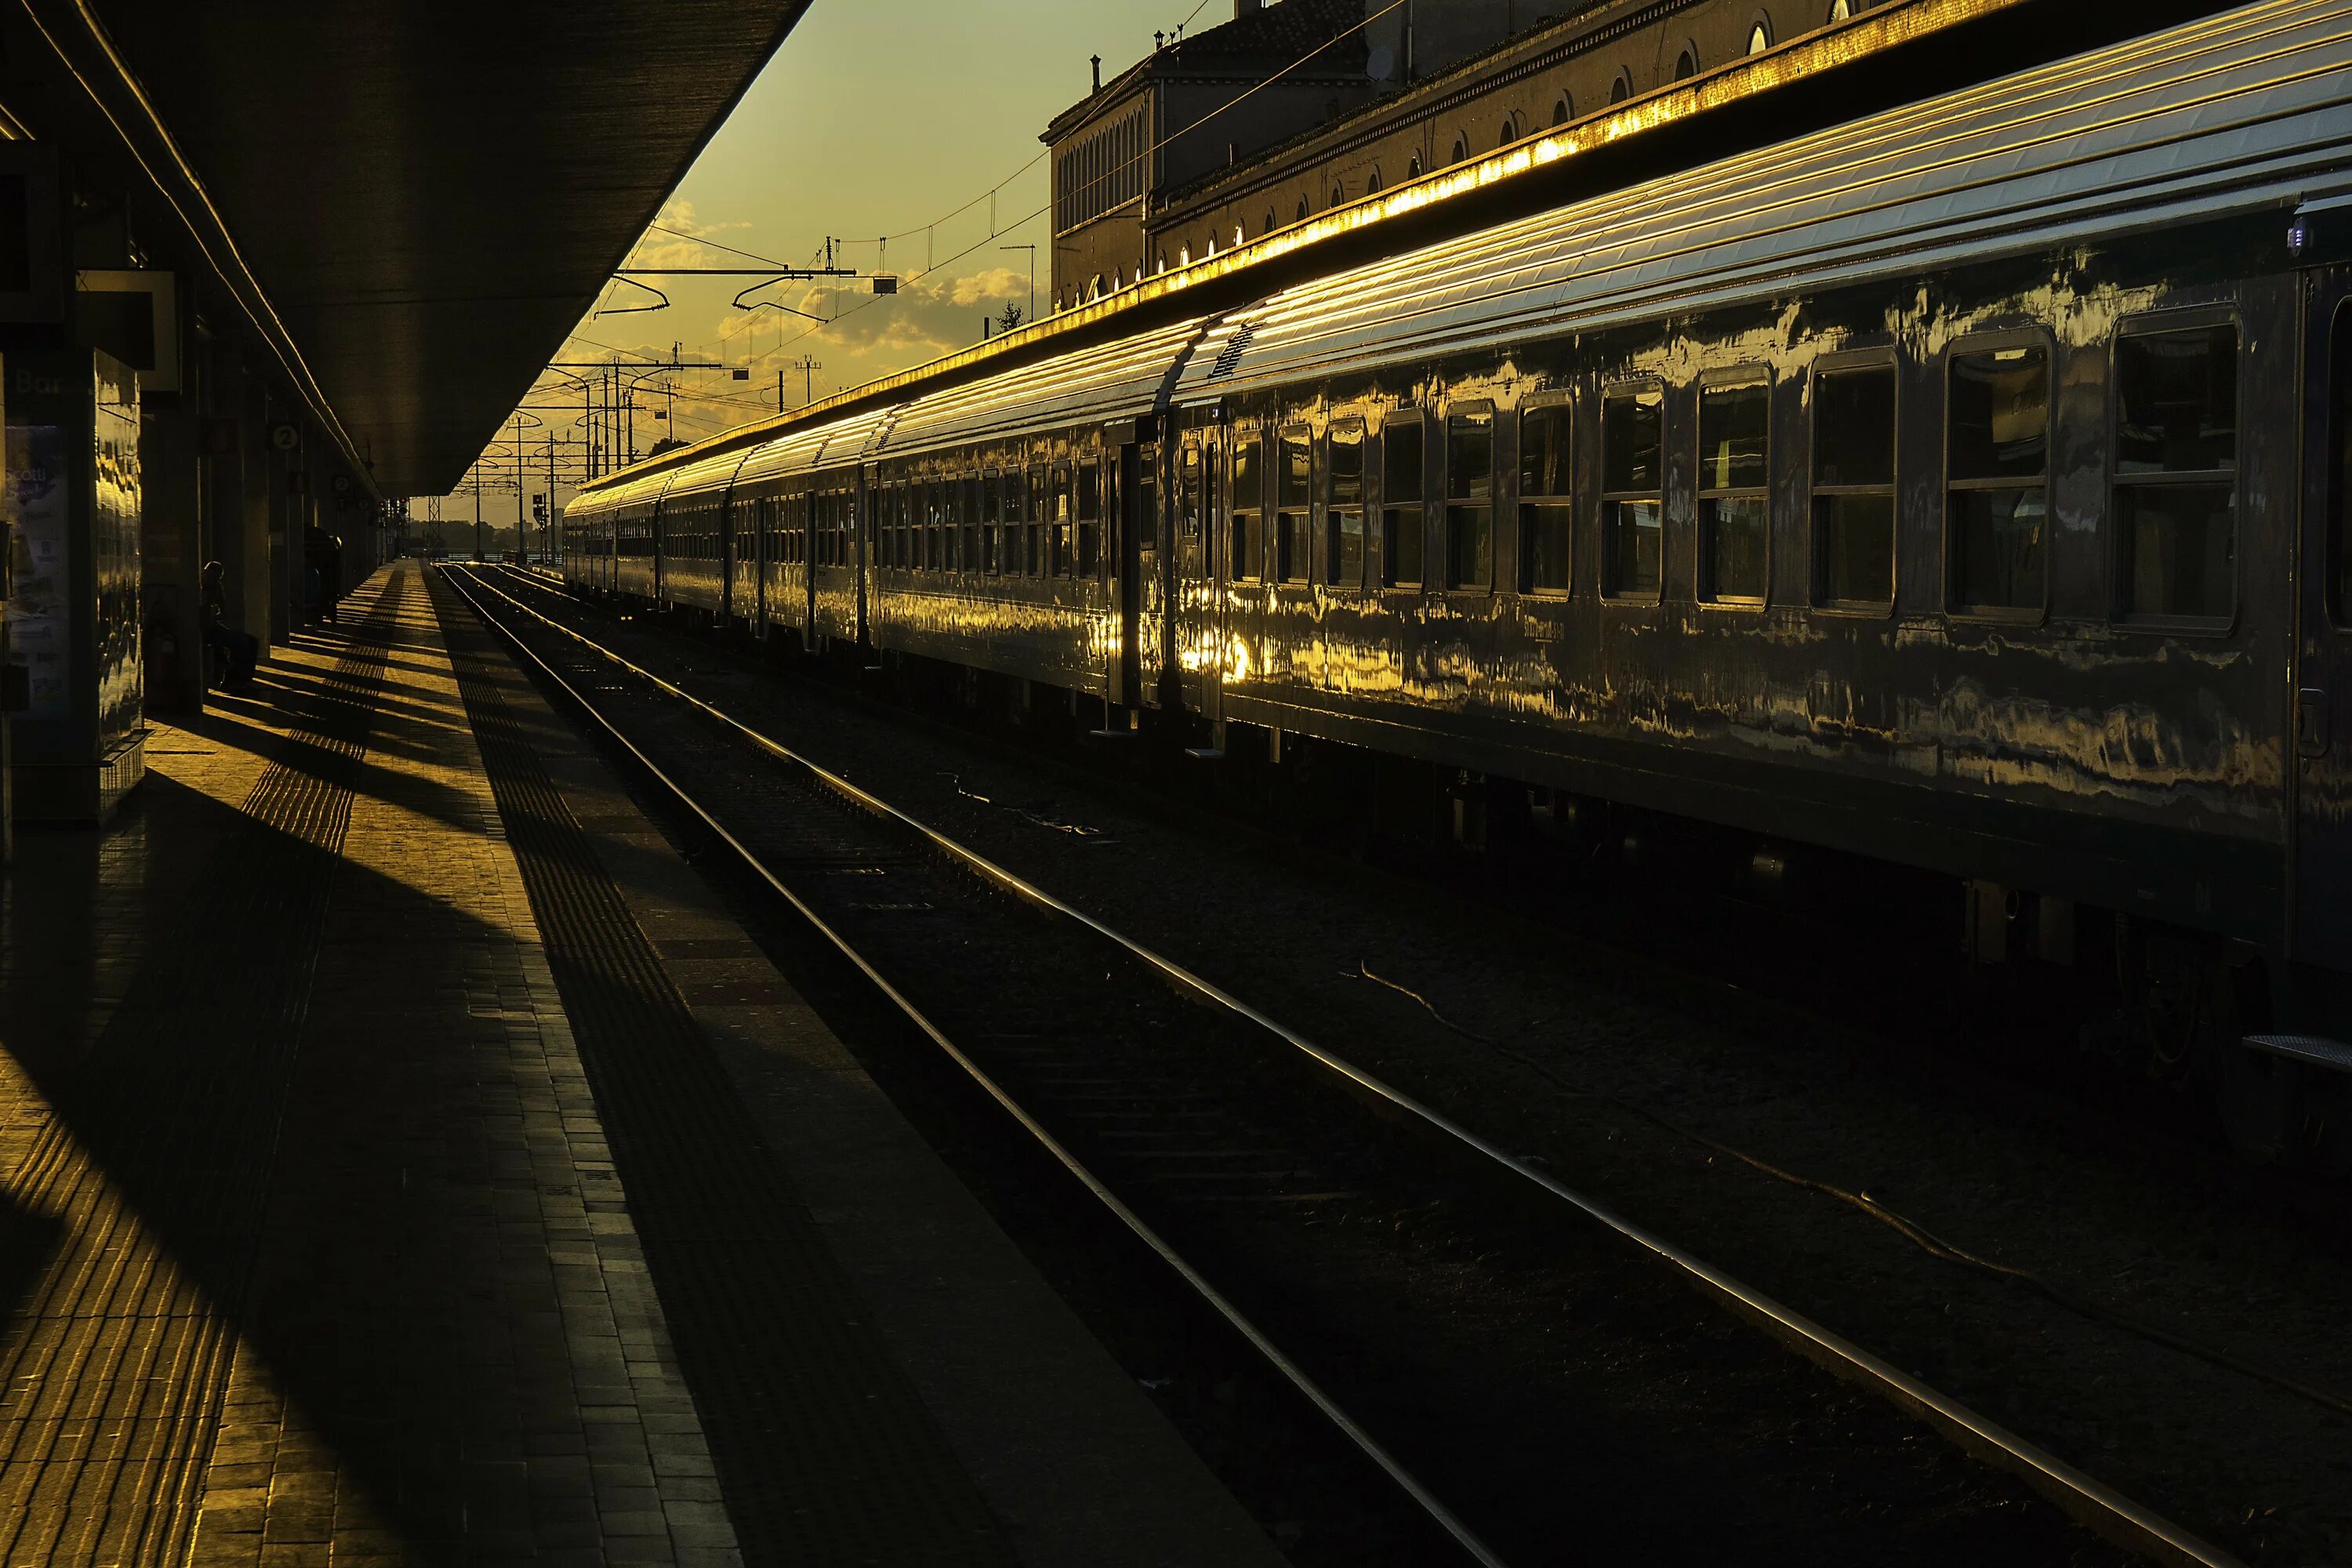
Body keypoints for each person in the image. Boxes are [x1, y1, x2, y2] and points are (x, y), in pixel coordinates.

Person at [199, 561, 257, 690]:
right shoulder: (196, 586)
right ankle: (231, 678)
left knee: (251, 641)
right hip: (203, 629)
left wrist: (212, 615)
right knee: (238, 641)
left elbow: (224, 613)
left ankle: (240, 679)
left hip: (211, 626)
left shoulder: (216, 587)